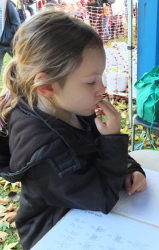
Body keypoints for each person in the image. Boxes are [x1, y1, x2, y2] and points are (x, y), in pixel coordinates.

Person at [0, 10, 146, 250]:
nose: (102, 88)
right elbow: (102, 196)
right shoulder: (47, 149)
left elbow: (98, 153)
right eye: (91, 81)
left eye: (100, 77)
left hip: (84, 220)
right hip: (54, 236)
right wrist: (113, 140)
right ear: (47, 86)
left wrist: (130, 167)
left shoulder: (72, 106)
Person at [0, 0, 21, 76]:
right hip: (1, 43)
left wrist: (9, 36)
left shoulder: (8, 4)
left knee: (21, 63)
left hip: (9, 42)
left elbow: (16, 23)